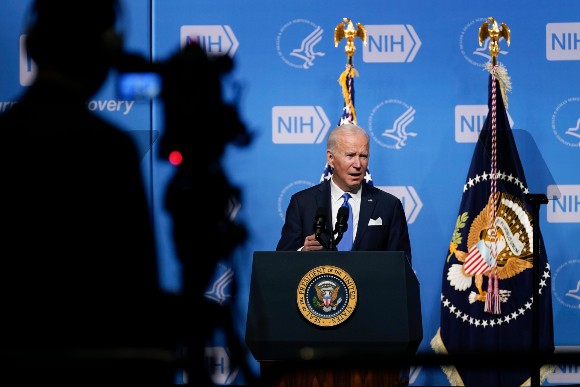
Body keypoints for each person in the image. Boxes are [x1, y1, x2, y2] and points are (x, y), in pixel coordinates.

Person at [0, 0, 177, 383]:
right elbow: (134, 282)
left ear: (35, 47)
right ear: (103, 53)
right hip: (98, 364)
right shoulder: (107, 147)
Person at [276, 123, 412, 261]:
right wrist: (302, 252)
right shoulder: (302, 203)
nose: (358, 164)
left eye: (363, 156)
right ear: (331, 158)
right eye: (350, 155)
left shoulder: (389, 206)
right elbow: (281, 261)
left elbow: (402, 265)